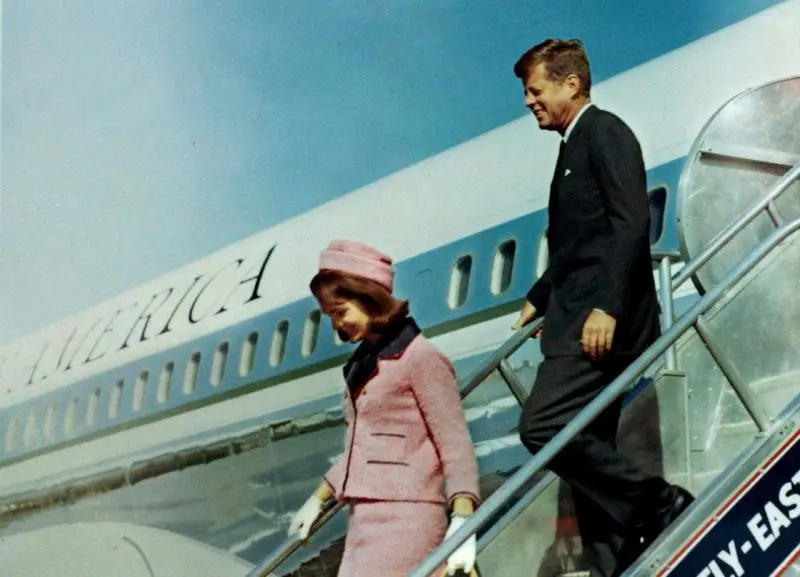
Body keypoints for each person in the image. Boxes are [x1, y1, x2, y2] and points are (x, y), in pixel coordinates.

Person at [509, 39, 694, 577]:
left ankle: (655, 503)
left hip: (597, 325)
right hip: (576, 315)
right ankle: (615, 565)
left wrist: (607, 307)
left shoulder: (604, 132)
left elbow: (630, 223)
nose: (528, 102)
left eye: (534, 89)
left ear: (571, 84)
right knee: (586, 449)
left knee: (541, 427)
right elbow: (579, 245)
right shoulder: (572, 146)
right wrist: (539, 296)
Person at [288, 239, 482, 577]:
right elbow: (365, 447)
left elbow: (455, 444)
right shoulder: (364, 366)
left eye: (340, 312)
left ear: (368, 297)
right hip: (365, 519)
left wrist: (464, 519)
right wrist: (319, 498)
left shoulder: (420, 359)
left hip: (408, 517)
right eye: (329, 316)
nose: (336, 325)